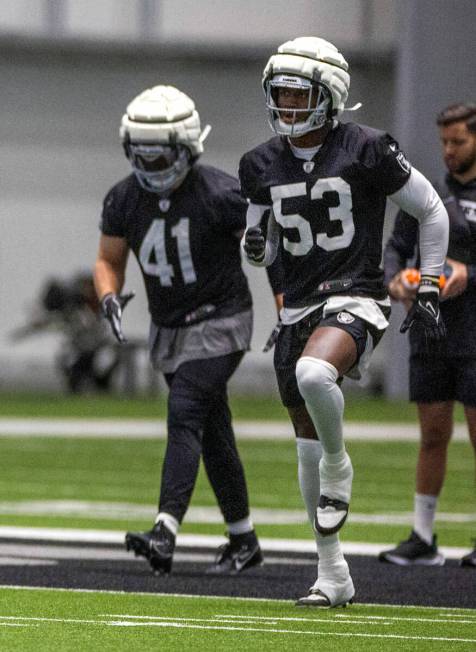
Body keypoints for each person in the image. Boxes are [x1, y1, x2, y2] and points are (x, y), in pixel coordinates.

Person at [240, 36, 449, 606]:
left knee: (314, 377)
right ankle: (332, 574)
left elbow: (430, 209)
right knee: (304, 445)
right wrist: (255, 246)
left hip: (356, 295)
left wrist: (428, 280)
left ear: (328, 95)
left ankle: (342, 463)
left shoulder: (366, 148)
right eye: (278, 95)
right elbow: (257, 242)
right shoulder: (259, 162)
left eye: (295, 94)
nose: (284, 106)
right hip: (299, 306)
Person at [93, 85, 263, 575]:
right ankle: (243, 539)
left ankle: (165, 531)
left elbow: (269, 245)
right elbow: (108, 260)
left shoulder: (220, 192)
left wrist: (285, 302)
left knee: (185, 408)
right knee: (213, 431)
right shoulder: (124, 198)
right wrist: (108, 293)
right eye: (139, 155)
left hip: (222, 318)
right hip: (170, 327)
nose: (149, 166)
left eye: (159, 154)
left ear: (186, 147)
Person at [380, 103, 476, 568]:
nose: (448, 150)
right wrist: (396, 279)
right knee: (432, 435)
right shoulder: (427, 193)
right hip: (431, 332)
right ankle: (422, 535)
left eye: (458, 141)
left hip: (475, 333)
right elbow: (396, 249)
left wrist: (467, 274)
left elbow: (464, 269)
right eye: (443, 142)